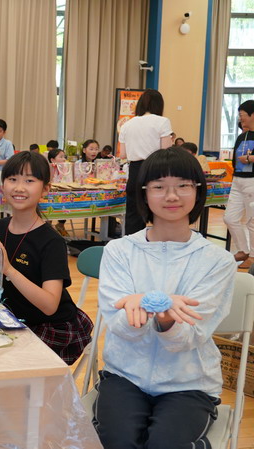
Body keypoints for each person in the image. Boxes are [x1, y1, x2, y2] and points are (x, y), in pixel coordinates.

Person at [94, 147, 236, 449]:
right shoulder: (119, 251)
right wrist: (151, 307)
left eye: (183, 185)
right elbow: (119, 326)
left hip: (189, 383)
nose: (172, 196)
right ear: (144, 193)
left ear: (198, 191)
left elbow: (189, 337)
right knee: (118, 442)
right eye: (159, 187)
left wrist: (164, 318)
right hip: (125, 375)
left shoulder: (217, 261)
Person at [0, 151, 93, 364]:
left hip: (49, 326)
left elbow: (49, 305)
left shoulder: (51, 241)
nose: (19, 187)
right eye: (12, 179)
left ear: (45, 189)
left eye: (29, 181)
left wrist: (9, 270)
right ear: (3, 185)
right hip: (12, 318)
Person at [118, 88, 173, 235]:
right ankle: (159, 243)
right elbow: (166, 152)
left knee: (134, 215)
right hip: (155, 170)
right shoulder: (162, 121)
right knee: (160, 212)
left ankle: (132, 245)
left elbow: (122, 154)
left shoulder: (127, 125)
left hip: (134, 171)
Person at [223, 100, 254, 268]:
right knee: (229, 218)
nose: (240, 118)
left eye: (243, 115)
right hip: (237, 180)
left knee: (252, 222)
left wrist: (250, 158)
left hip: (252, 181)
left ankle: (253, 258)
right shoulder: (242, 136)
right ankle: (243, 250)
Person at [47, 148, 69, 235]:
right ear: (52, 160)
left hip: (62, 191)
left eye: (64, 157)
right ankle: (48, 227)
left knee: (66, 204)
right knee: (50, 207)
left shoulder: (66, 168)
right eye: (61, 157)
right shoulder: (49, 168)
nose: (64, 159)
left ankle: (60, 225)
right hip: (51, 193)